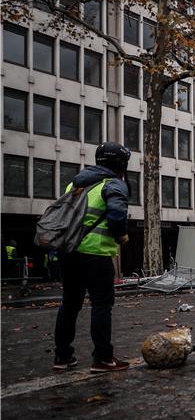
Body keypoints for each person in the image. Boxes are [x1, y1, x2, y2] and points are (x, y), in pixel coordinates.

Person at [52, 142, 131, 373]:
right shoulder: (113, 184)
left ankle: (62, 356)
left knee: (70, 304)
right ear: (121, 165)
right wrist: (122, 236)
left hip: (68, 252)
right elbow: (117, 215)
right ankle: (103, 358)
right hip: (96, 254)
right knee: (101, 305)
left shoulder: (74, 183)